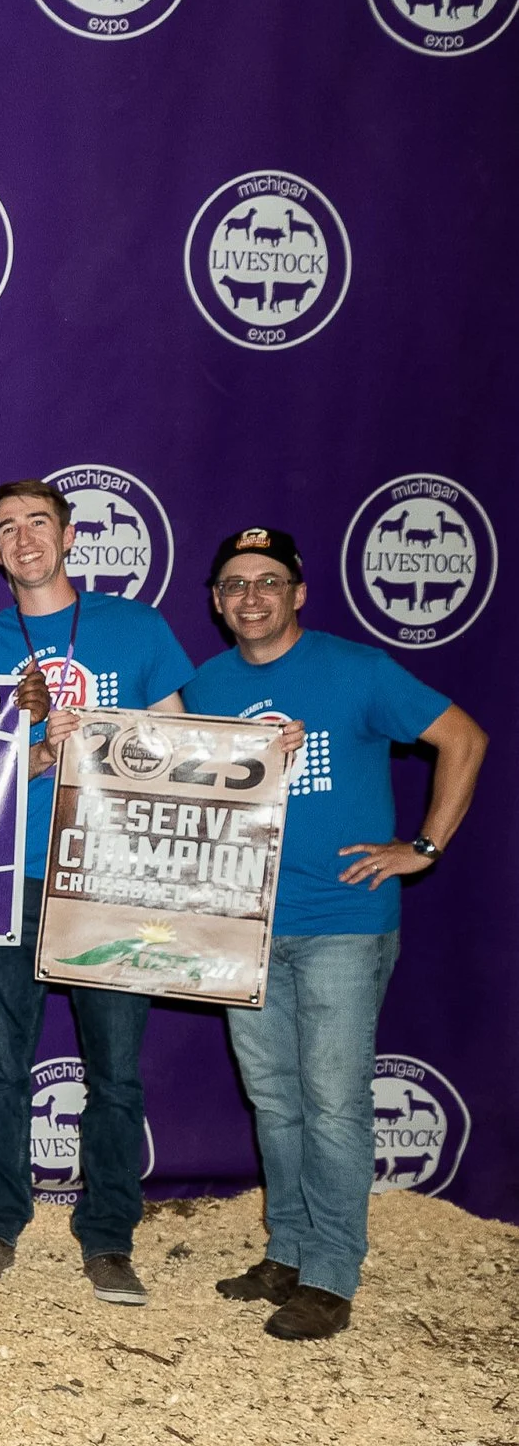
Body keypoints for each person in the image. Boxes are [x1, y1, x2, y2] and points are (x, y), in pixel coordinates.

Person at [181, 527, 485, 1342]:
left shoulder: (357, 670)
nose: (252, 596)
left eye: (269, 581)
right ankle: (288, 1247)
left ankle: (330, 1273)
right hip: (245, 923)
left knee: (333, 1101)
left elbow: (463, 737)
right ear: (216, 599)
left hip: (343, 924)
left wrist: (422, 847)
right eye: (236, 583)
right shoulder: (205, 684)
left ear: (299, 592)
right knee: (276, 1100)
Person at [0, 478, 198, 1305]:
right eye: (7, 528)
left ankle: (109, 1237)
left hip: (115, 878)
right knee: (1, 1066)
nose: (24, 538)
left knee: (117, 1070)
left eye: (38, 523)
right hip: (15, 879)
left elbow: (185, 745)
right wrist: (43, 754)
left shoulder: (137, 628)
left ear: (69, 534)